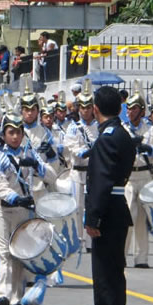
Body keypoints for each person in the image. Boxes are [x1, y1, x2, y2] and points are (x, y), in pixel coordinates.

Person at [83, 85, 135, 305]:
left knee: (105, 273)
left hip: (108, 210)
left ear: (96, 109)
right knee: (113, 272)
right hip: (117, 207)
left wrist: (92, 218)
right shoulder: (123, 134)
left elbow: (101, 182)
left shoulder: (106, 138)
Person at [0, 113, 47, 305]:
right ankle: (2, 295)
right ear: (3, 135)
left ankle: (17, 297)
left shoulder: (29, 153)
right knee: (3, 253)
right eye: (10, 132)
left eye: (18, 132)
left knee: (19, 255)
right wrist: (15, 198)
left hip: (24, 210)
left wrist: (38, 165)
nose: (15, 136)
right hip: (4, 209)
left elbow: (52, 174)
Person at [122, 88, 153, 268]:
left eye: (134, 108)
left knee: (142, 218)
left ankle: (141, 258)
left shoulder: (151, 130)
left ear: (142, 111)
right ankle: (122, 255)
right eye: (128, 108)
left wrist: (151, 150)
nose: (130, 112)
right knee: (127, 217)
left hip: (144, 173)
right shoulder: (123, 129)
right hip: (128, 176)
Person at [62, 83, 98, 252]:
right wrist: (82, 151)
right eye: (82, 107)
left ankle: (91, 241)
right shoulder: (73, 127)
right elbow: (69, 145)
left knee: (92, 207)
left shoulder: (98, 126)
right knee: (77, 207)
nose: (85, 111)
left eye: (88, 107)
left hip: (93, 171)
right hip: (78, 170)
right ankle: (77, 240)